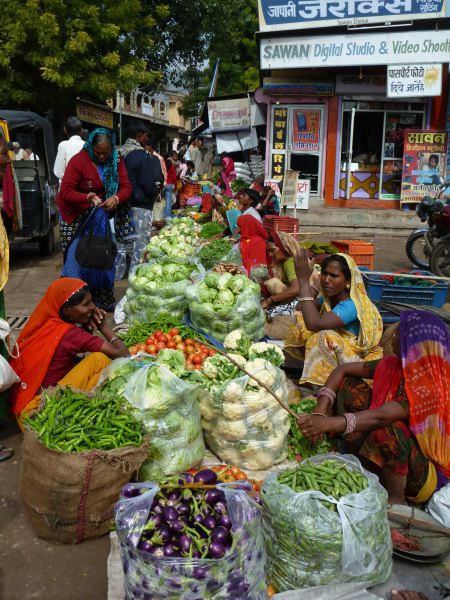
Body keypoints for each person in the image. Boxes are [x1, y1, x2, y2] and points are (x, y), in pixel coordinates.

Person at [297, 311, 450, 506]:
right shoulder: (395, 366)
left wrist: (326, 424)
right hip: (390, 448)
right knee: (350, 384)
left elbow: (381, 417)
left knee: (388, 429)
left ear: (413, 344)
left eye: (400, 333)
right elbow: (342, 370)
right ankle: (358, 454)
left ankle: (396, 498)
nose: (393, 336)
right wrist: (320, 409)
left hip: (419, 474)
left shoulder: (429, 387)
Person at [9, 278, 129, 429]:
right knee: (100, 360)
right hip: (40, 415)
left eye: (91, 302)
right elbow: (123, 354)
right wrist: (104, 327)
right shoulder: (69, 334)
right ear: (66, 310)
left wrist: (86, 330)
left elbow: (66, 353)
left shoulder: (46, 324)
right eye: (86, 304)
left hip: (23, 411)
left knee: (81, 362)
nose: (93, 307)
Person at [57, 128, 133, 311]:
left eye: (105, 153)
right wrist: (87, 197)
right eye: (98, 153)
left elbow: (126, 187)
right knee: (76, 258)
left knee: (100, 257)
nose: (101, 157)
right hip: (75, 217)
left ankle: (100, 300)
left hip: (99, 216)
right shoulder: (79, 161)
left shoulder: (116, 160)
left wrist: (115, 198)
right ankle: (73, 302)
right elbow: (66, 191)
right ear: (90, 147)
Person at [285, 252, 383, 387]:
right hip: (343, 356)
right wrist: (312, 285)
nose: (326, 280)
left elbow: (314, 324)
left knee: (323, 336)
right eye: (324, 274)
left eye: (334, 276)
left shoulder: (352, 305)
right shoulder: (330, 299)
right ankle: (314, 376)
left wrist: (302, 280)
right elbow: (301, 306)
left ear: (348, 282)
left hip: (361, 362)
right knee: (301, 318)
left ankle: (324, 386)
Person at [116, 122, 163, 279]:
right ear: (139, 135)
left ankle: (117, 272)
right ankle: (135, 275)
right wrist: (153, 194)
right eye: (145, 135)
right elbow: (147, 183)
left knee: (121, 242)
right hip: (140, 205)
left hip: (120, 203)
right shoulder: (141, 155)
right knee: (139, 244)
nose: (146, 138)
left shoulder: (119, 153)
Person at [53, 116, 85, 182]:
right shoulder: (87, 145)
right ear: (82, 131)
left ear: (65, 130)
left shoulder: (63, 145)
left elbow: (58, 172)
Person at [163, 154, 177, 219]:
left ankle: (163, 215)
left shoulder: (163, 166)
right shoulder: (172, 167)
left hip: (163, 184)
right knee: (168, 202)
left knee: (163, 201)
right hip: (170, 185)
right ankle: (167, 217)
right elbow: (174, 178)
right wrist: (176, 188)